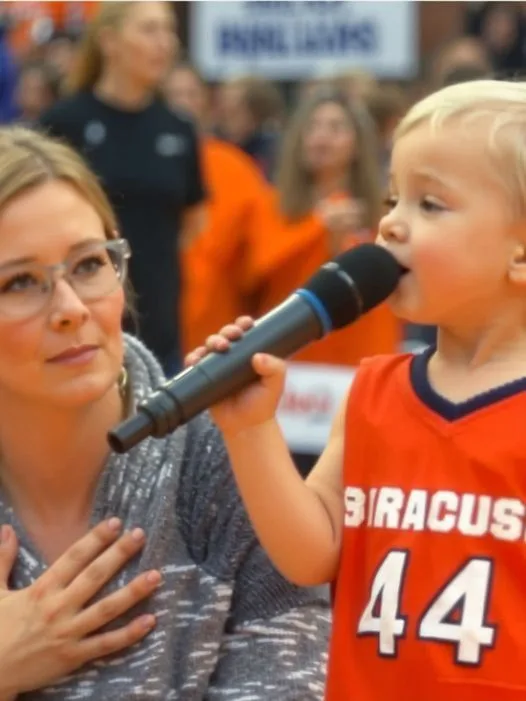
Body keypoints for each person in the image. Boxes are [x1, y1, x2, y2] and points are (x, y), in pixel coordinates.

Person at [188, 79, 526, 700]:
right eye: (394, 198)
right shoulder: (374, 389)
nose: (392, 223)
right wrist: (251, 429)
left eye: (431, 204)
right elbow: (311, 555)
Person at [0, 126, 330, 700]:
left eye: (88, 264)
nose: (72, 310)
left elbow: (294, 670)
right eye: (19, 282)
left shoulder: (217, 451)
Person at [39, 1, 206, 375]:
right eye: (149, 30)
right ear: (109, 41)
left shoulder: (178, 128)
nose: (165, 42)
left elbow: (194, 222)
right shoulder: (65, 123)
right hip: (77, 325)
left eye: (169, 30)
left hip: (161, 331)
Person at [164, 62, 271, 354]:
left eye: (190, 93)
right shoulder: (141, 170)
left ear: (207, 104)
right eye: (173, 94)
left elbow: (260, 253)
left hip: (220, 335)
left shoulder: (236, 167)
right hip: (154, 327)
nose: (182, 103)